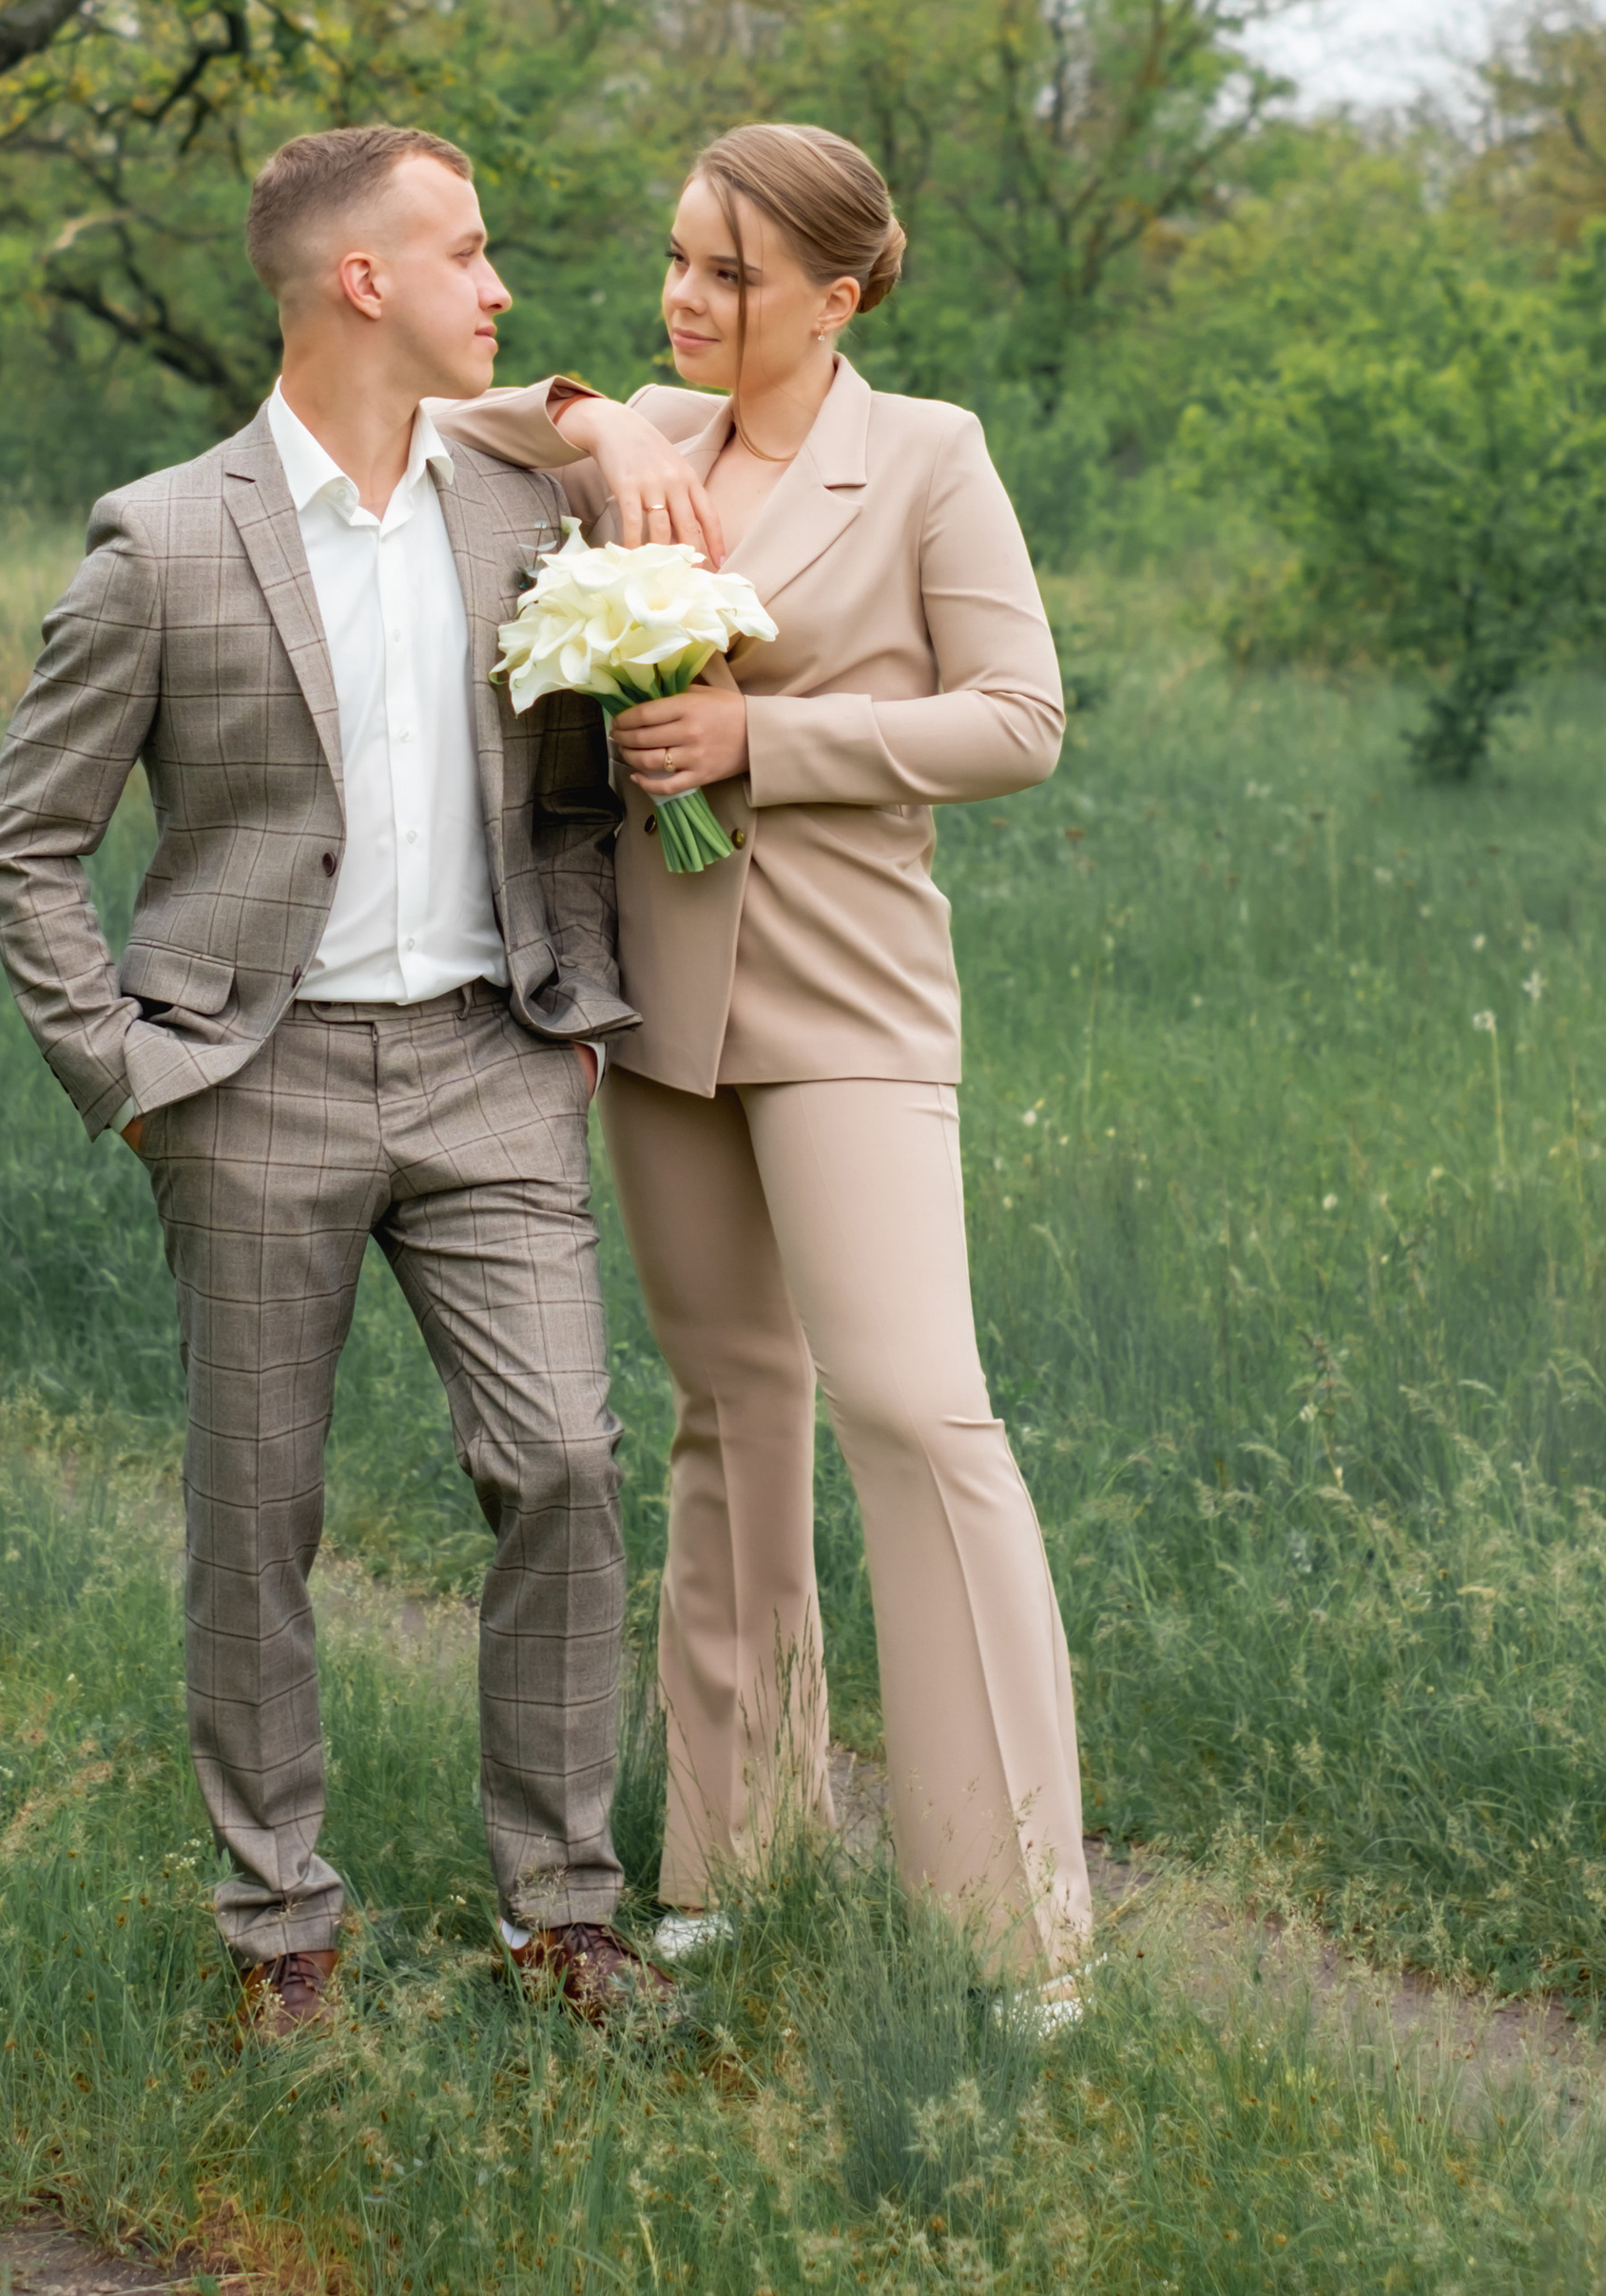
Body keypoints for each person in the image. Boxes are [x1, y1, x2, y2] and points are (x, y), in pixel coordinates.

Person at [0, 124, 662, 2037]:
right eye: (467, 247)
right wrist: (119, 1068)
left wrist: (580, 992)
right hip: (245, 1081)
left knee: (565, 1464)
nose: (499, 281)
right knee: (254, 1507)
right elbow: (24, 842)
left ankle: (561, 1906)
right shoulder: (166, 538)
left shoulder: (518, 514)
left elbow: (581, 790)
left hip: (490, 1064)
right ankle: (278, 1923)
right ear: (362, 278)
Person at [441, 122, 1093, 1999]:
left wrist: (764, 737)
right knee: (731, 1407)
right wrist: (604, 415)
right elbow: (460, 428)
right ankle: (736, 1855)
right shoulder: (657, 420)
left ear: (838, 286)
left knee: (913, 1407)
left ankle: (1013, 1924)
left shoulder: (930, 455)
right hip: (661, 1010)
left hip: (849, 1002)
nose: (684, 299)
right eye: (674, 260)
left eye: (727, 272)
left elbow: (1018, 717)